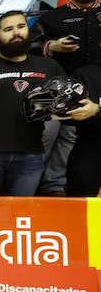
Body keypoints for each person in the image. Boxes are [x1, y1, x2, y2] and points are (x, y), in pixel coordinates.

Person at [0, 11, 66, 196]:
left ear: (28, 32)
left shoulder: (49, 67)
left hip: (30, 156)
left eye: (20, 27)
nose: (16, 32)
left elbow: (66, 103)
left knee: (17, 217)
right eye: (8, 29)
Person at [30, 0, 101, 196]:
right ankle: (31, 190)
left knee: (72, 146)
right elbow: (27, 47)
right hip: (54, 91)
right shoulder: (52, 17)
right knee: (43, 142)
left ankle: (56, 190)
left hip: (90, 97)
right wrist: (52, 46)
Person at [64, 62, 101, 197]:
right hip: (90, 149)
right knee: (79, 208)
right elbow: (68, 120)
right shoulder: (84, 74)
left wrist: (97, 110)